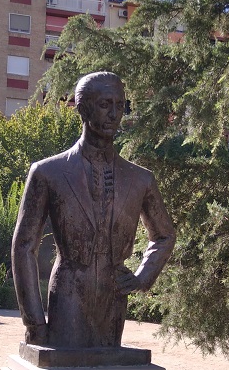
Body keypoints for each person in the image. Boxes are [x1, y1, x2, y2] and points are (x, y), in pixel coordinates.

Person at [12, 71, 176, 348]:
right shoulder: (48, 173)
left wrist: (142, 278)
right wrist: (35, 323)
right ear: (83, 108)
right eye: (104, 104)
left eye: (120, 105)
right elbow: (23, 246)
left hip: (114, 296)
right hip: (68, 292)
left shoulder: (140, 179)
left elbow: (164, 235)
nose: (114, 114)